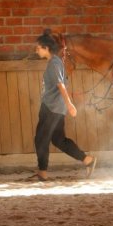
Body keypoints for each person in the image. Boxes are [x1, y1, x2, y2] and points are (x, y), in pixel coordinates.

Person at [33, 29, 97, 181]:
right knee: (58, 140)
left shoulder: (54, 63)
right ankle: (87, 160)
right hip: (55, 107)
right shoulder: (55, 62)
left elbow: (61, 85)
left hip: (51, 108)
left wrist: (69, 104)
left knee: (41, 139)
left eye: (38, 47)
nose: (36, 50)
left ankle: (42, 172)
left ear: (46, 48)